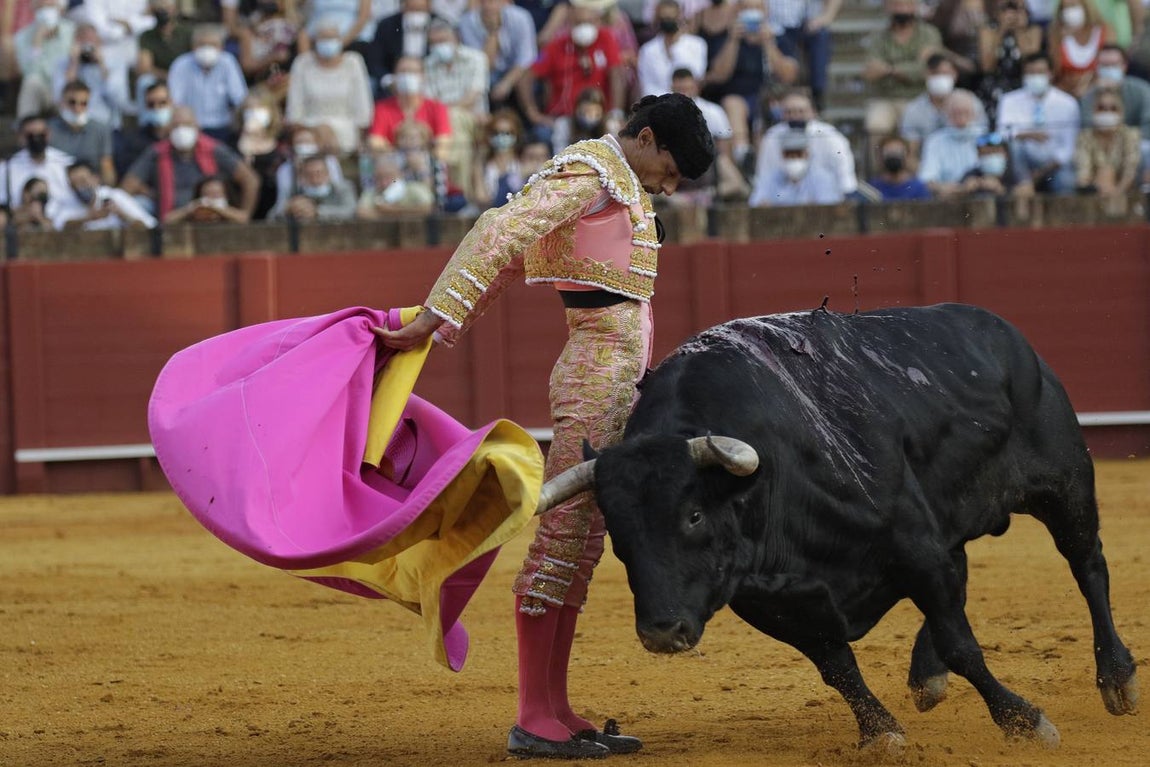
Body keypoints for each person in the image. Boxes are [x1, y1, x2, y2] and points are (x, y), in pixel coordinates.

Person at [371, 92, 715, 761]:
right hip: (594, 377)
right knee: (562, 537)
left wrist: (447, 316)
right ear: (644, 137)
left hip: (618, 378)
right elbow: (499, 234)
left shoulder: (617, 180)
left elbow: (505, 255)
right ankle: (533, 713)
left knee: (583, 541)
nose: (669, 185)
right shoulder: (592, 173)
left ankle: (556, 707)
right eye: (670, 169)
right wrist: (435, 316)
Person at [697, 0, 799, 169]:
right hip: (735, 97)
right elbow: (718, 75)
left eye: (756, 8)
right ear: (737, 11)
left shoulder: (777, 37)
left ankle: (761, 168)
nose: (752, 12)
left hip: (769, 98)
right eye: (746, 8)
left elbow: (788, 75)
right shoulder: (726, 36)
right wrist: (733, 40)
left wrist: (768, 44)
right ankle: (743, 155)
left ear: (765, 12)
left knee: (765, 115)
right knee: (734, 104)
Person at [517, 0, 625, 148]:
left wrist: (616, 112)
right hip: (562, 119)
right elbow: (525, 77)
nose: (584, 27)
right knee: (541, 134)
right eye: (579, 23)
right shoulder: (556, 45)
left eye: (588, 22)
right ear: (570, 23)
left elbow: (617, 75)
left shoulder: (606, 39)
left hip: (599, 117)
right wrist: (533, 113)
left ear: (598, 21)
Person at [120, 105, 261, 219]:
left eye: (187, 125)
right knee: (138, 204)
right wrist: (149, 192)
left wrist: (245, 214)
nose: (181, 130)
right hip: (172, 218)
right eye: (176, 126)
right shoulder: (157, 153)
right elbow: (127, 188)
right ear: (168, 130)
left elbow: (251, 180)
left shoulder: (214, 149)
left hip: (212, 215)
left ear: (197, 127)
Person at [285, 18, 374, 154]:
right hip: (310, 127)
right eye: (324, 38)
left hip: (347, 129)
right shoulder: (302, 63)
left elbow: (363, 109)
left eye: (332, 38)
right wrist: (318, 131)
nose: (328, 42)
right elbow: (294, 111)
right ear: (315, 42)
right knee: (307, 142)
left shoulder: (353, 62)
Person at [997, 52, 1080, 194]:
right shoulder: (1009, 100)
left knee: (1066, 181)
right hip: (1022, 164)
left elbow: (1068, 147)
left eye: (1040, 72)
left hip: (1055, 164)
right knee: (1014, 145)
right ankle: (1023, 191)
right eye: (1030, 73)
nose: (1035, 77)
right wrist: (1027, 135)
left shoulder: (1067, 104)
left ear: (1050, 74)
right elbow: (1002, 134)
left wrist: (1041, 173)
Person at [862, 0, 944, 140]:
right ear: (887, 8)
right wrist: (911, 67)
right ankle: (879, 162)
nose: (902, 10)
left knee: (919, 126)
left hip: (920, 97)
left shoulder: (929, 34)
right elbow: (870, 72)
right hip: (886, 98)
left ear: (915, 7)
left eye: (906, 5)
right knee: (876, 125)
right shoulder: (878, 37)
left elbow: (926, 69)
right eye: (896, 5)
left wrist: (888, 69)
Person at [754, 90, 859, 198]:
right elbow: (764, 175)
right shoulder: (772, 137)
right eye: (789, 112)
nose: (795, 116)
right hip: (784, 195)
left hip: (825, 194)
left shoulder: (830, 136)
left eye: (801, 111)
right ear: (782, 114)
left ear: (812, 112)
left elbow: (845, 177)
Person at [167, 24, 248, 144]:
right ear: (193, 46)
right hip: (192, 128)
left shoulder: (228, 62)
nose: (207, 49)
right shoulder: (180, 64)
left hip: (223, 126)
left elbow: (239, 97)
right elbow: (174, 101)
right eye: (202, 44)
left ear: (221, 47)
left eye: (212, 45)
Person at [899, 53, 988, 161]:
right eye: (935, 73)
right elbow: (910, 154)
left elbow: (982, 141)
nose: (941, 77)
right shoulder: (914, 110)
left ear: (955, 74)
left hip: (968, 166)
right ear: (925, 75)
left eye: (945, 73)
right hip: (928, 167)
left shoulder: (970, 101)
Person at [457, 0, 537, 110]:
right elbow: (483, 64)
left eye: (493, 1)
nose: (489, 6)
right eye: (484, 2)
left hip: (515, 72)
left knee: (526, 74)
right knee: (479, 82)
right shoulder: (466, 22)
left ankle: (532, 117)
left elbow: (526, 57)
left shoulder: (521, 17)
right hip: (488, 73)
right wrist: (493, 32)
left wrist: (507, 83)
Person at [978, 0, 1045, 125]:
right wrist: (1002, 31)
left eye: (1017, 9)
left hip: (1023, 85)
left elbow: (1030, 63)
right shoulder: (988, 31)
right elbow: (987, 66)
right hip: (995, 86)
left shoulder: (1034, 30)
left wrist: (1019, 31)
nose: (1011, 13)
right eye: (1005, 8)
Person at [770, 0, 840, 112]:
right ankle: (782, 100)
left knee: (821, 35)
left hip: (806, 23)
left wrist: (825, 18)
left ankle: (817, 93)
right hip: (774, 27)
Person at [1074, 87, 1140, 202]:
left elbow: (1130, 172)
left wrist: (1115, 193)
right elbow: (1083, 172)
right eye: (1102, 108)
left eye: (1113, 109)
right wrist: (1097, 188)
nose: (1107, 113)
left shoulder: (1130, 135)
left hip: (1124, 190)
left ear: (1121, 112)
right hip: (1093, 190)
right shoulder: (1085, 137)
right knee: (1104, 172)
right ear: (1094, 111)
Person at [13, 0, 75, 119]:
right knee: (31, 82)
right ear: (34, 9)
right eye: (41, 6)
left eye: (50, 6)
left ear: (60, 9)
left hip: (65, 88)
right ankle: (27, 128)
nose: (46, 10)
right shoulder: (21, 36)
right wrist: (37, 42)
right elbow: (28, 72)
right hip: (42, 89)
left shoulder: (72, 31)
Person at [0, 114, 75, 211]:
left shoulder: (66, 163)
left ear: (48, 134)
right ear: (21, 137)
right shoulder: (6, 169)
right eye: (30, 136)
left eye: (41, 135)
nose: (36, 139)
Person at [748, 128, 842, 206]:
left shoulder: (823, 178)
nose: (793, 158)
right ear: (782, 155)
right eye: (789, 154)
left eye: (798, 154)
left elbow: (828, 206)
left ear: (807, 154)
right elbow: (756, 204)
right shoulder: (770, 179)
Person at [53, 160, 156, 230]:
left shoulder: (115, 196)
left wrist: (121, 214)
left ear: (95, 179)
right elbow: (58, 226)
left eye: (83, 181)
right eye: (75, 184)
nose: (80, 187)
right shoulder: (69, 201)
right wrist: (89, 218)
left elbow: (149, 225)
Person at [47, 79, 116, 185]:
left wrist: (100, 182)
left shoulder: (101, 130)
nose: (77, 108)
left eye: (83, 103)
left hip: (91, 188)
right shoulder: (48, 130)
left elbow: (107, 170)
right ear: (61, 102)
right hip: (58, 187)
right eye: (72, 102)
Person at [918, 90, 985, 197]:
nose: (961, 119)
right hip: (947, 197)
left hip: (980, 194)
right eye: (956, 113)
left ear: (975, 114)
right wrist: (945, 187)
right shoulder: (935, 141)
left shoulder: (986, 137)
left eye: (966, 113)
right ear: (946, 115)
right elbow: (927, 180)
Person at [636, 0, 707, 97]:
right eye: (663, 18)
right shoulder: (647, 50)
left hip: (689, 101)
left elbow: (697, 76)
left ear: (679, 17)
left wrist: (675, 47)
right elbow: (647, 85)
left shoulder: (697, 44)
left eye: (670, 18)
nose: (667, 22)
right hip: (658, 104)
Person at [1049, 0, 1113, 98]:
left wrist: (1089, 85)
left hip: (1098, 93)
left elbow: (1109, 65)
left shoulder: (1105, 31)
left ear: (1086, 7)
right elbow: (1055, 72)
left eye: (1073, 5)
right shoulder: (1056, 35)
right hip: (1066, 94)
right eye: (1065, 8)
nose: (1069, 11)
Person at [272, 153, 358, 220]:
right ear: (302, 177)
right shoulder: (294, 192)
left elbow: (351, 210)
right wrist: (288, 209)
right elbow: (271, 216)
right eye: (309, 175)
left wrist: (317, 212)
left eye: (319, 173)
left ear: (328, 174)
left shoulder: (343, 188)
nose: (315, 179)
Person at [115, 79, 171, 179]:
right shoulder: (134, 140)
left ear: (172, 103)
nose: (157, 108)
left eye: (162, 103)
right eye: (151, 104)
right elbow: (128, 174)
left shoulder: (180, 137)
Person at [163, 174, 251, 224]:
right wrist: (190, 209)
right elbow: (167, 220)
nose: (210, 199)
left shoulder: (232, 214)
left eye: (216, 194)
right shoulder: (194, 211)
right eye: (207, 195)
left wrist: (217, 209)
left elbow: (244, 218)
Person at [869, 134, 932, 199]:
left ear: (907, 156)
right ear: (880, 157)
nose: (893, 156)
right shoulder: (872, 188)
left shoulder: (918, 188)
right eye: (888, 153)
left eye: (898, 152)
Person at [958, 130, 1016, 196]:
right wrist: (964, 190)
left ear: (1006, 154)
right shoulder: (972, 174)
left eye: (994, 152)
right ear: (979, 156)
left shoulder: (1015, 174)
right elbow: (955, 190)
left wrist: (1001, 190)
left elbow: (1024, 191)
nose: (990, 157)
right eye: (986, 153)